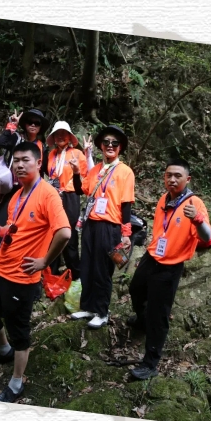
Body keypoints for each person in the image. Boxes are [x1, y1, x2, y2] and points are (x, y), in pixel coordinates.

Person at [0, 141, 71, 402]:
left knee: (19, 331)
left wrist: (44, 261)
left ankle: (16, 384)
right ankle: (2, 349)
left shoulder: (48, 194)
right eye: (15, 160)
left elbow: (64, 232)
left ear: (38, 163)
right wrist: (0, 230)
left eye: (25, 160)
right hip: (1, 268)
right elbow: (16, 228)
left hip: (22, 276)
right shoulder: (18, 195)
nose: (19, 165)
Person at [127, 159, 211, 380]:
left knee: (159, 313)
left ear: (187, 179)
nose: (172, 179)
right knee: (135, 289)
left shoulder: (194, 203)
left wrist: (198, 219)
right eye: (168, 175)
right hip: (152, 256)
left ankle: (150, 363)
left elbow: (207, 236)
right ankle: (142, 320)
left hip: (171, 265)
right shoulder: (164, 199)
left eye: (177, 176)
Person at [70, 125, 135, 329]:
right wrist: (75, 173)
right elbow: (81, 189)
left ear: (120, 147)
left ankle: (102, 312)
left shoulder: (125, 172)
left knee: (102, 269)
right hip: (91, 224)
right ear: (101, 146)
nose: (110, 145)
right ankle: (88, 307)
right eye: (106, 142)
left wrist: (126, 233)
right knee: (87, 265)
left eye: (115, 143)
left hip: (110, 226)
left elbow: (126, 204)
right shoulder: (96, 169)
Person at [0, 108, 49, 256]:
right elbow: (2, 142)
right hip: (13, 190)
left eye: (37, 123)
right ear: (25, 124)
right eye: (30, 122)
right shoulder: (16, 138)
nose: (33, 125)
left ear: (40, 127)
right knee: (4, 221)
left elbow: (45, 169)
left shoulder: (42, 147)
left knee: (24, 225)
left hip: (31, 192)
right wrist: (12, 125)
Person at [45, 121, 88, 280]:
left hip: (70, 196)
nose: (61, 136)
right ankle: (52, 275)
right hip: (53, 196)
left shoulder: (77, 154)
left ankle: (75, 275)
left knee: (69, 234)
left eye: (64, 133)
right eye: (57, 134)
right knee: (52, 232)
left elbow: (84, 179)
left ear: (69, 137)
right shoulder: (51, 154)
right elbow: (50, 175)